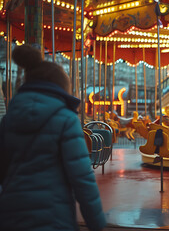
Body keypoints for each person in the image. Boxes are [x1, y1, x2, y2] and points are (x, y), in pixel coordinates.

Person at [0, 44, 106, 231]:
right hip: (54, 215)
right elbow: (82, 178)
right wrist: (96, 224)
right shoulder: (66, 119)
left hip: (10, 213)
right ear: (60, 88)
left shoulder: (9, 119)